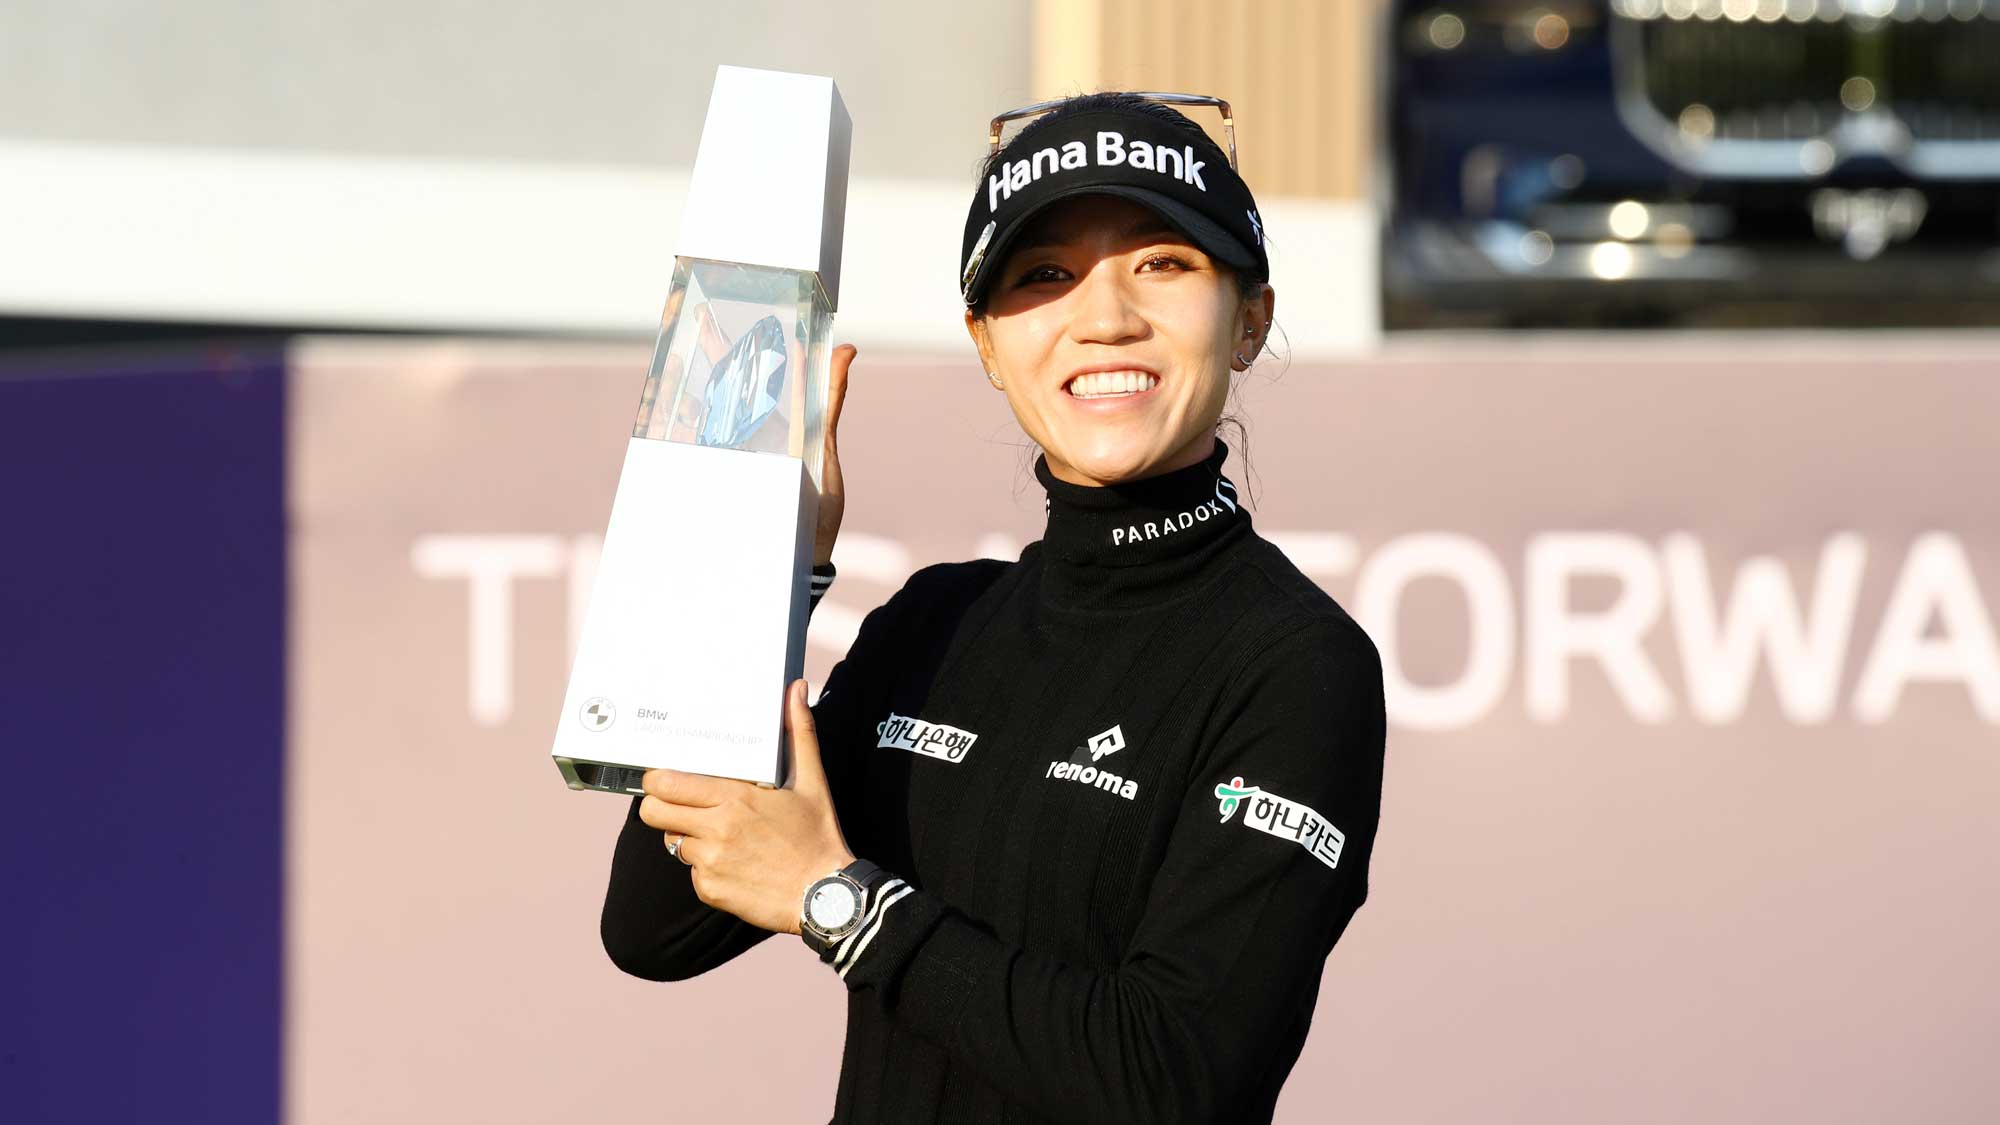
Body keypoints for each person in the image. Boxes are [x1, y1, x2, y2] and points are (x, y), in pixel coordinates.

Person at [599, 90, 1387, 1124]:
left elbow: (1175, 1079)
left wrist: (841, 903)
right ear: (985, 345)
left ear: (1249, 320)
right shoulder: (934, 624)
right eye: (1044, 275)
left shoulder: (1294, 664)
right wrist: (761, 570)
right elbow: (654, 933)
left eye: (1161, 262)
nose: (1102, 316)